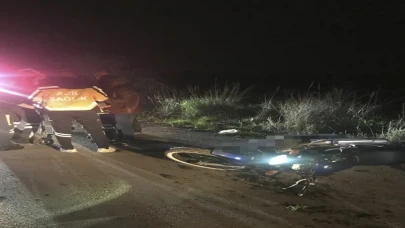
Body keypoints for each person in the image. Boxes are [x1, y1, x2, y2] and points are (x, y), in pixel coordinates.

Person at [28, 85, 117, 153]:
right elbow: (104, 98)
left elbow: (33, 98)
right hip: (85, 108)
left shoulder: (44, 88)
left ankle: (68, 148)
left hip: (58, 109)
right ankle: (104, 147)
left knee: (61, 129)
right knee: (95, 128)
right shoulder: (89, 87)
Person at [94, 70, 142, 140]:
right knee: (120, 124)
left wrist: (107, 100)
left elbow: (123, 99)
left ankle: (128, 138)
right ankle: (122, 137)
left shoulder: (124, 89)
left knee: (123, 124)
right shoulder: (119, 88)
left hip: (125, 109)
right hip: (123, 109)